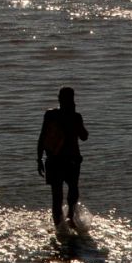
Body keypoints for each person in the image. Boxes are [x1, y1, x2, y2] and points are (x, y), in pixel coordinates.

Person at [37, 87, 89, 234]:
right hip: (66, 161)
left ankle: (61, 225)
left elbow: (42, 137)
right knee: (68, 191)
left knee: (60, 194)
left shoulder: (52, 115)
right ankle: (67, 221)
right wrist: (39, 159)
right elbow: (84, 136)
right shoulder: (72, 116)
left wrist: (39, 159)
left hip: (59, 160)